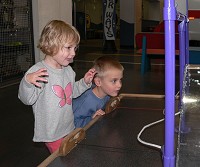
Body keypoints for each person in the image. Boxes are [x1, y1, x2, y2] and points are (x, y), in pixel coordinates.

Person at [18, 20, 96, 153]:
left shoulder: (68, 70)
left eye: (75, 48)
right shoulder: (39, 72)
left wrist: (84, 82)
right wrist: (27, 82)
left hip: (68, 127)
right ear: (51, 45)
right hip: (52, 133)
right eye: (68, 48)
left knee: (71, 157)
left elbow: (71, 93)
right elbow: (27, 99)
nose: (73, 53)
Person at [73, 56, 124, 128]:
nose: (119, 85)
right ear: (98, 82)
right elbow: (73, 124)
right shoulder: (87, 101)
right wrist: (91, 119)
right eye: (114, 81)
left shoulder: (106, 94)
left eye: (120, 80)